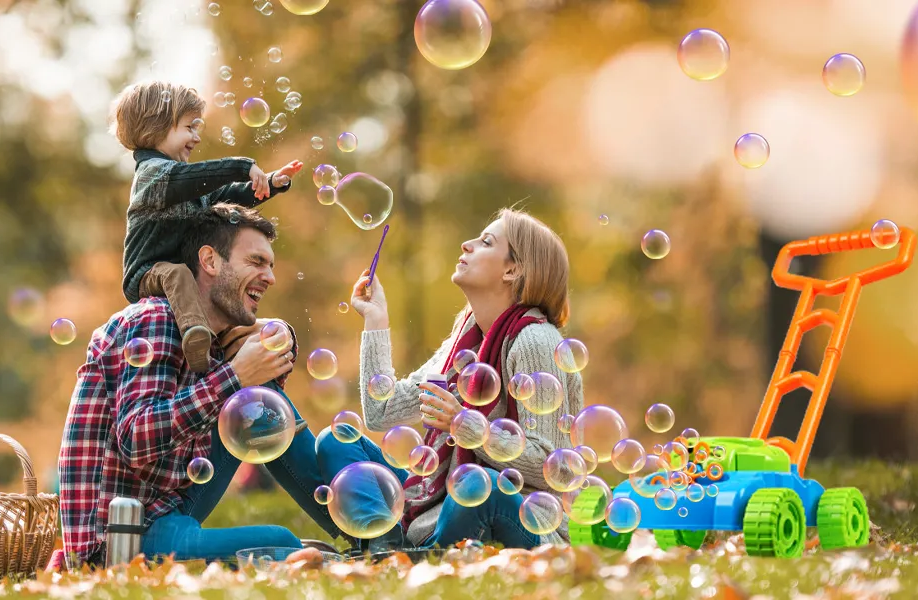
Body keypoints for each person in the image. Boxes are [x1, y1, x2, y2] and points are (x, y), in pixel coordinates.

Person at [58, 205, 342, 567]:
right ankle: (335, 549)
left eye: (270, 265)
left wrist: (273, 343)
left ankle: (365, 535)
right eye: (256, 261)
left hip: (166, 506)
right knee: (281, 542)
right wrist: (235, 375)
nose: (270, 277)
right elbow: (135, 438)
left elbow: (263, 411)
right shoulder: (156, 319)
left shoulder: (207, 337)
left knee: (260, 397)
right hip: (119, 538)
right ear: (209, 260)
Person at [317, 208, 584, 551]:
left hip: (524, 518)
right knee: (336, 441)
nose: (467, 244)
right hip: (447, 505)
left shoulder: (536, 340)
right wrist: (375, 319)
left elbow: (553, 467)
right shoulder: (466, 337)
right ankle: (389, 548)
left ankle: (405, 553)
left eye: (486, 242)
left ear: (512, 269)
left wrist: (464, 424)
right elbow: (380, 412)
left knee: (477, 486)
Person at [112, 80, 304, 373]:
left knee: (216, 301)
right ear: (156, 127)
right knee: (178, 273)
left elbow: (227, 194)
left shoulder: (186, 184)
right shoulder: (153, 176)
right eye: (189, 128)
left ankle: (226, 350)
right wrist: (243, 166)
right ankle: (196, 339)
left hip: (180, 281)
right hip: (147, 272)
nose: (197, 138)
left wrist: (271, 183)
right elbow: (195, 177)